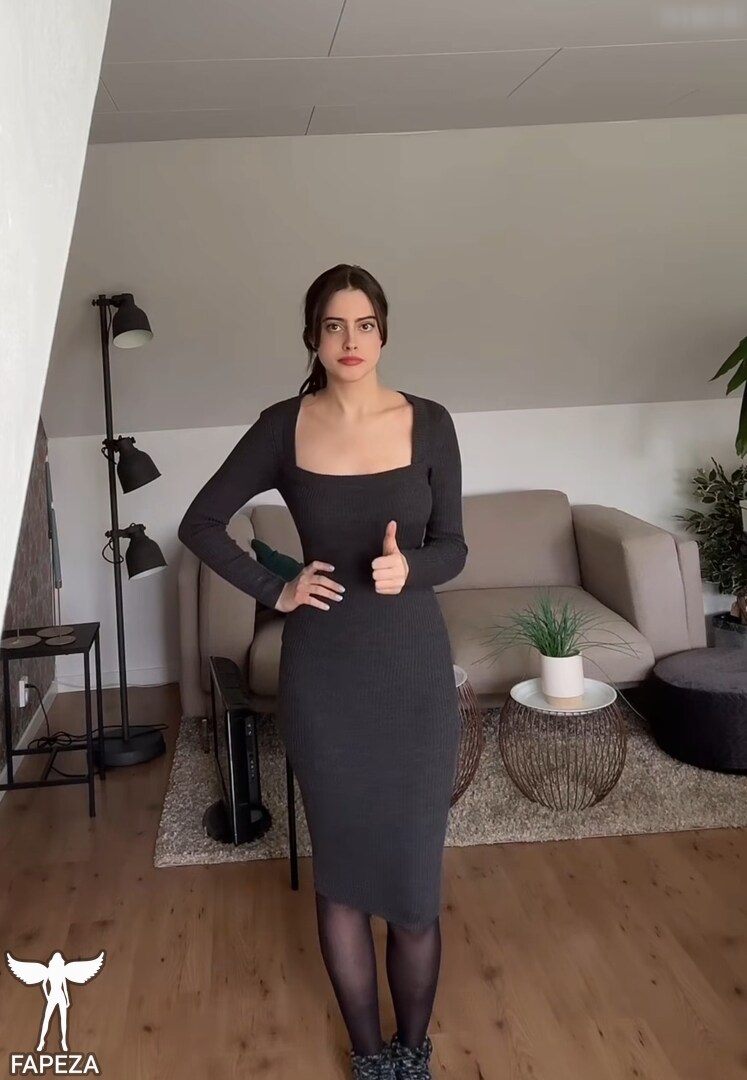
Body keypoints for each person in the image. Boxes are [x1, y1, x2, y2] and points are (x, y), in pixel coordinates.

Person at [177, 264, 468, 1080]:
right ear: (312, 336)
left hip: (413, 676)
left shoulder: (429, 423)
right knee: (340, 881)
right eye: (334, 325)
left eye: (364, 324)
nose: (350, 340)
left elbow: (453, 546)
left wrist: (409, 567)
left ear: (383, 332)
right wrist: (277, 588)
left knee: (412, 888)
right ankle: (370, 1059)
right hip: (325, 679)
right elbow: (202, 522)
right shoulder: (282, 427)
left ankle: (413, 1055)